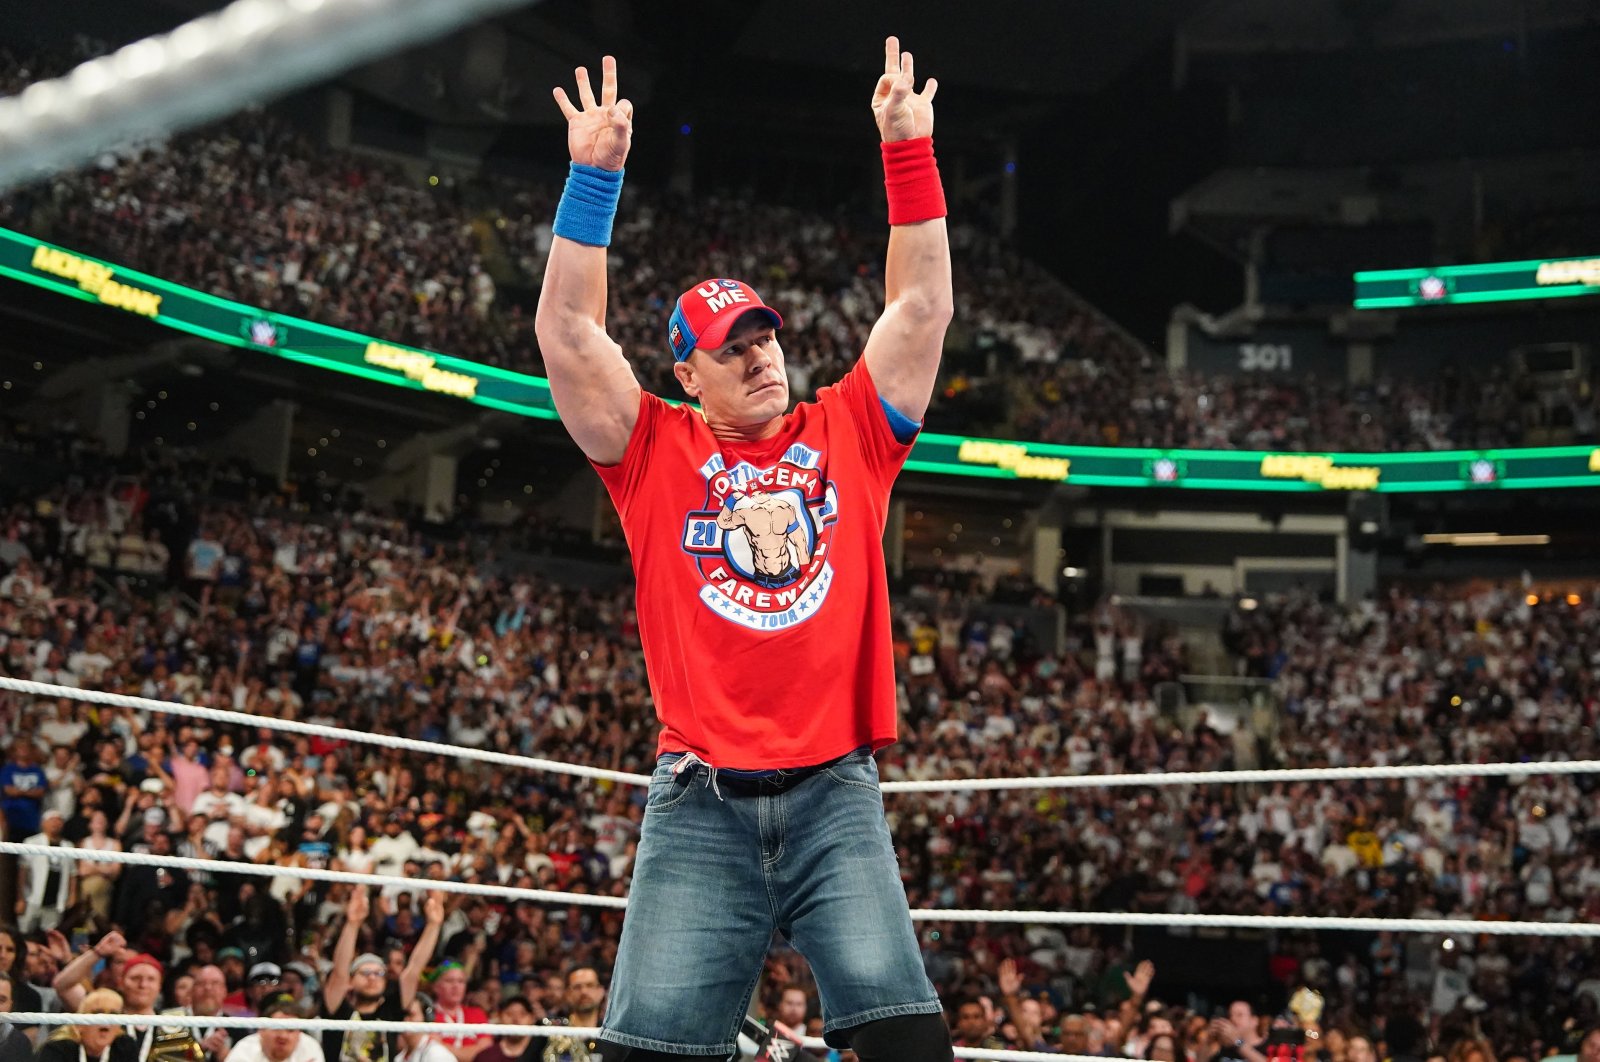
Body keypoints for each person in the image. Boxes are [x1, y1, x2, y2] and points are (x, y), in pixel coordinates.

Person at [534, 35, 953, 1062]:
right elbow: (568, 337)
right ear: (689, 374)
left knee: (909, 1048)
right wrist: (592, 182)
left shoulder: (848, 428)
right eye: (732, 347)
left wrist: (907, 151)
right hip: (701, 799)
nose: (758, 354)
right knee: (645, 1056)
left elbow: (921, 307)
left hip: (833, 795)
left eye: (763, 335)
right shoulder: (651, 448)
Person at [318, 888, 443, 1062]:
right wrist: (353, 924)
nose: (372, 977)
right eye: (365, 972)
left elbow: (413, 970)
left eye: (379, 973)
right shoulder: (338, 1011)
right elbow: (339, 974)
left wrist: (433, 925)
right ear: (351, 981)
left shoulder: (390, 1013)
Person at [36, 989, 138, 1062]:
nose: (106, 1019)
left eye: (113, 1014)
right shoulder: (57, 1049)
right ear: (80, 1024)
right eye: (98, 1013)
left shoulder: (125, 1047)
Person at [223, 996, 324, 1062]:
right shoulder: (246, 1048)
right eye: (277, 1028)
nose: (283, 1036)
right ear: (261, 1030)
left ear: (299, 1034)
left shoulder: (309, 1047)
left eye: (291, 1030)